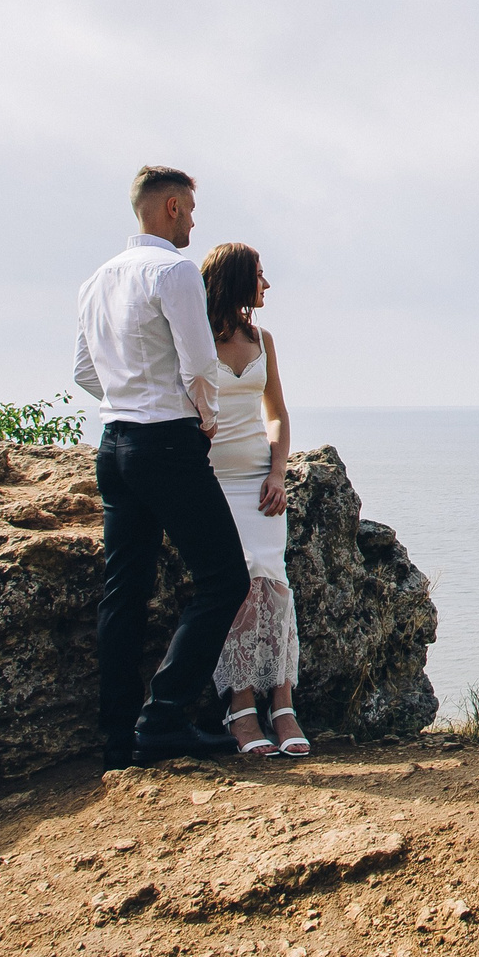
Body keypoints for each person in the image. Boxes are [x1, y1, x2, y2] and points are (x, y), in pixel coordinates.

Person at [74, 165, 250, 769]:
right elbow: (200, 363)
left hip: (112, 444)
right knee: (224, 578)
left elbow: (83, 371)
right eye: (192, 209)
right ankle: (164, 718)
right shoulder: (173, 271)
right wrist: (202, 417)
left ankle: (117, 738)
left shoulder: (96, 279)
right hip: (167, 442)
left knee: (123, 592)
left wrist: (126, 396)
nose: (196, 221)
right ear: (171, 207)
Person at [198, 242, 309, 757]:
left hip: (260, 485)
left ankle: (283, 706)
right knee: (237, 590)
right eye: (260, 275)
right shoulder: (194, 340)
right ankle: (241, 708)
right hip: (212, 487)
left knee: (275, 585)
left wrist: (279, 472)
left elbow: (278, 414)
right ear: (237, 279)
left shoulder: (263, 339)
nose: (267, 285)